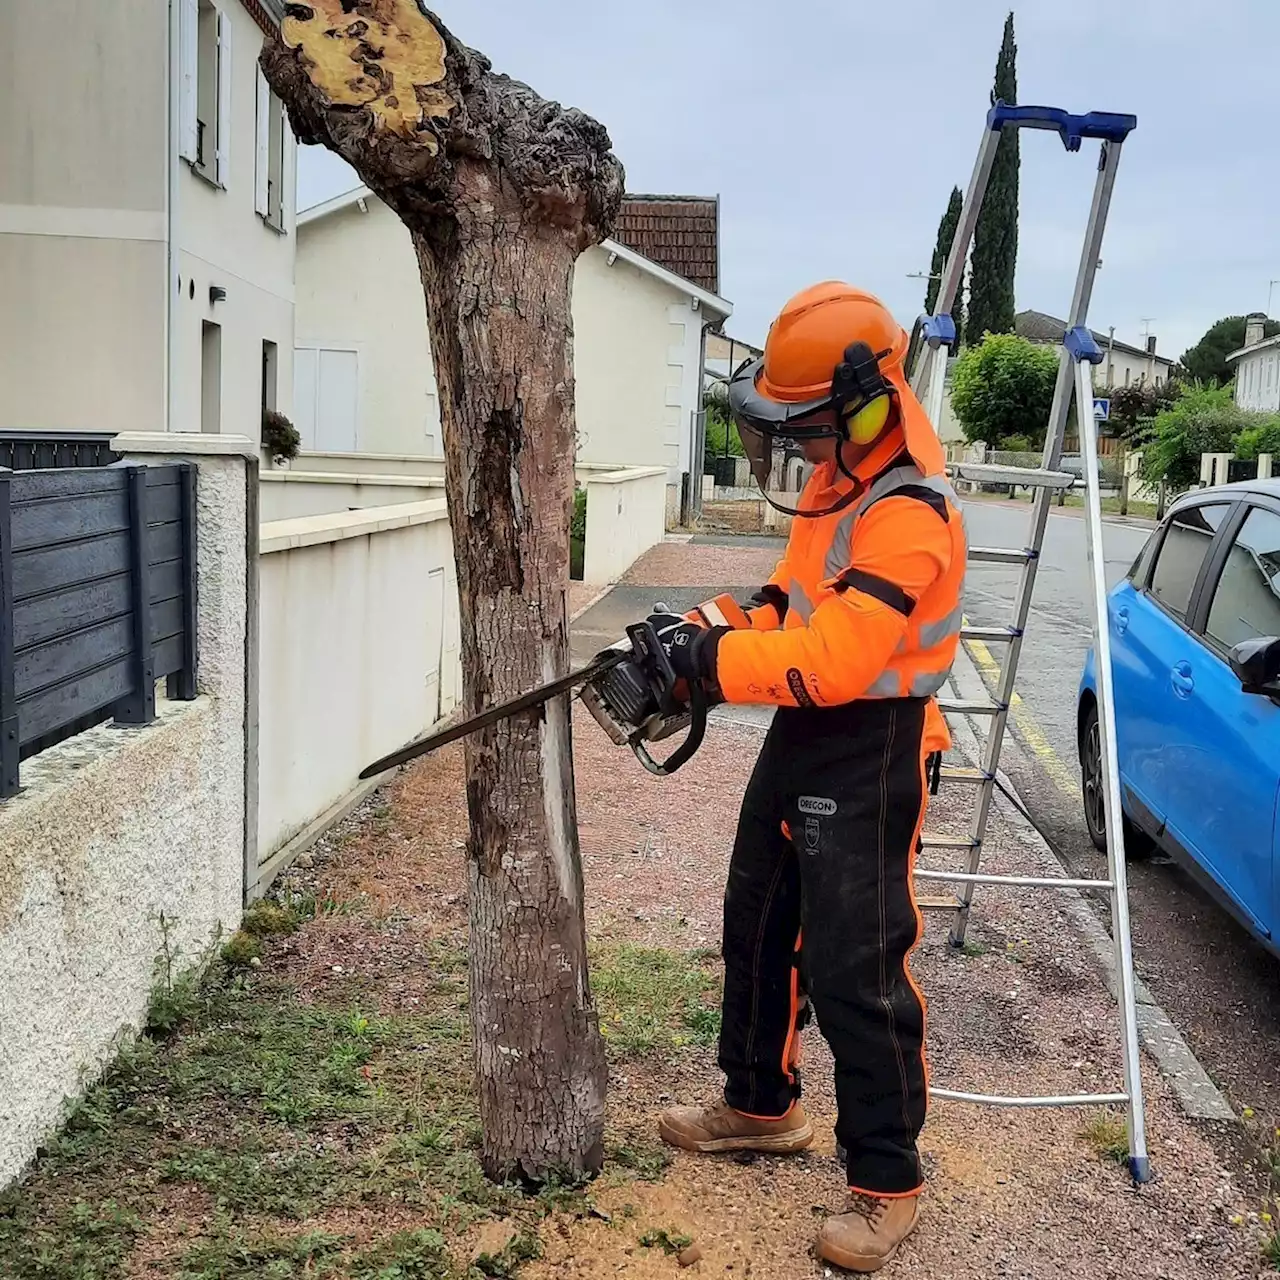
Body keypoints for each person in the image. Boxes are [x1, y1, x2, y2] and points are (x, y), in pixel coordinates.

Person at [642, 283, 967, 1273]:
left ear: (863, 402)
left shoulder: (907, 511)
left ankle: (885, 1178)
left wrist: (703, 669)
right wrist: (689, 631)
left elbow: (830, 657)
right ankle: (755, 1102)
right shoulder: (831, 491)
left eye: (809, 427)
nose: (799, 447)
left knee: (854, 966)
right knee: (757, 917)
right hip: (803, 731)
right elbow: (784, 605)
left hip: (874, 743)